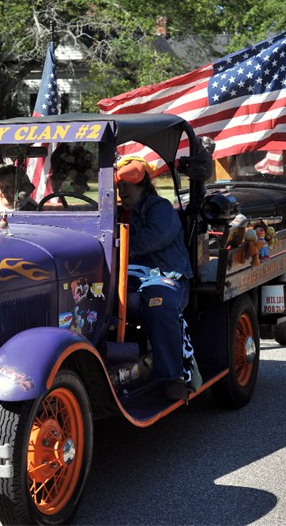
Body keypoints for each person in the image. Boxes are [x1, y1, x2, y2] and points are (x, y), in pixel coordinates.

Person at [115, 156, 195, 400]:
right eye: (118, 187)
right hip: (125, 277)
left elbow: (154, 238)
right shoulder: (118, 212)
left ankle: (172, 377)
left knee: (158, 303)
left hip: (163, 276)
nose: (121, 191)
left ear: (141, 185)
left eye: (125, 186)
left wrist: (116, 248)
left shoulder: (159, 208)